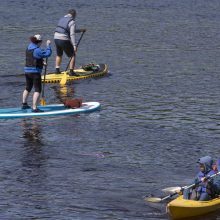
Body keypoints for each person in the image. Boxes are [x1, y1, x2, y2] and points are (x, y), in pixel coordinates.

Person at [22, 34, 52, 112]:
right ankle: (34, 108)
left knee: (28, 88)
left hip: (27, 71)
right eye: (41, 42)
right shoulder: (37, 50)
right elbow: (47, 54)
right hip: (35, 72)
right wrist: (48, 45)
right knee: (38, 90)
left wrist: (42, 62)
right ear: (39, 42)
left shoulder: (28, 47)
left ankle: (24, 104)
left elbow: (34, 57)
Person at [54, 9, 86, 76]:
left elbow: (67, 29)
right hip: (64, 39)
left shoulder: (62, 19)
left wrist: (81, 30)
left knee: (59, 54)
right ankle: (71, 72)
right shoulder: (72, 21)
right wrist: (74, 45)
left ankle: (57, 70)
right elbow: (72, 34)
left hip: (56, 38)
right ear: (74, 15)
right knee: (72, 55)